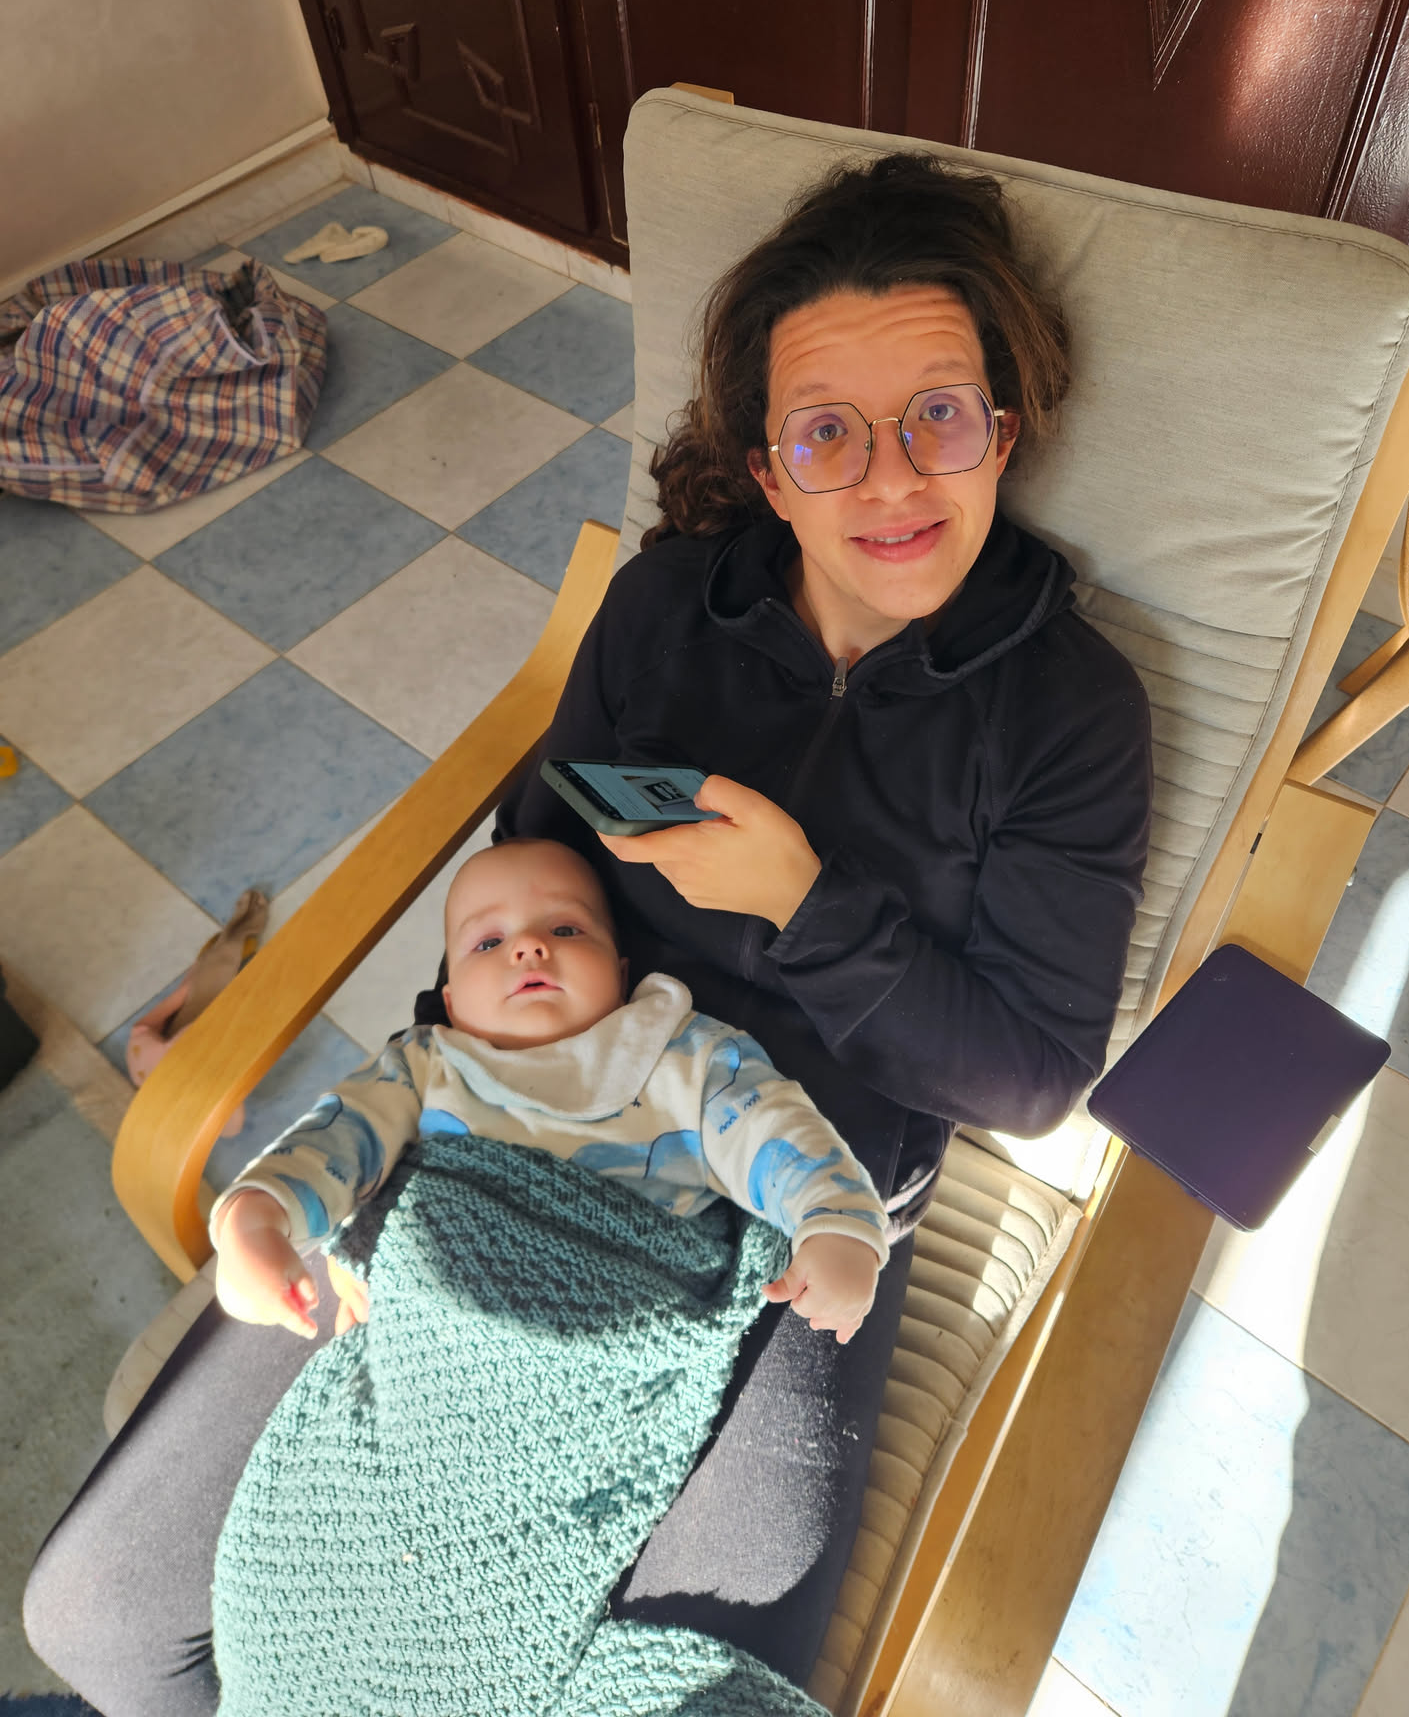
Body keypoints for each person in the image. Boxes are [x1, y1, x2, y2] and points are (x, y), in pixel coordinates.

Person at [25, 151, 1152, 1713]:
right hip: (515, 1120)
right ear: (769, 470)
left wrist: (804, 904)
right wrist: (417, 1103)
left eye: (939, 417)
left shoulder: (1070, 710)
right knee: (100, 1620)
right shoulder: (670, 605)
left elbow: (1028, 1075)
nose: (892, 482)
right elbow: (529, 861)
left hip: (790, 1217)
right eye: (827, 433)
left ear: (1003, 431)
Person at [212, 838, 887, 1347]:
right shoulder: (425, 1065)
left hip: (621, 1320)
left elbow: (778, 1133)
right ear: (450, 1000)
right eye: (487, 942)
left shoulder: (684, 1057)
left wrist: (838, 1226)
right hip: (438, 1319)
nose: (529, 946)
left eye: (565, 929)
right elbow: (336, 1139)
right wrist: (254, 1218)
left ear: (620, 972)